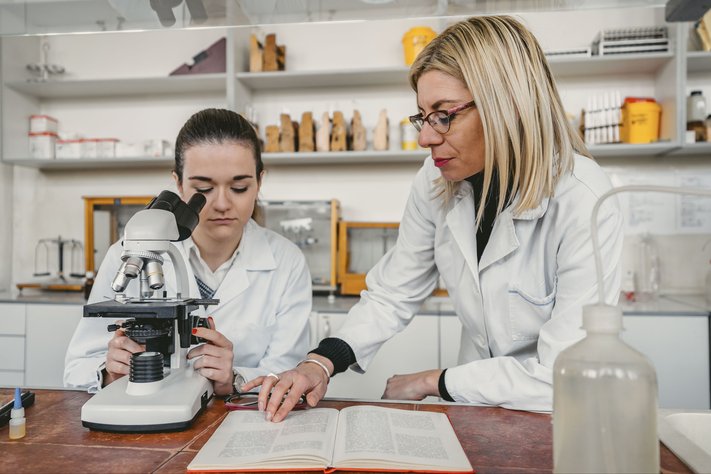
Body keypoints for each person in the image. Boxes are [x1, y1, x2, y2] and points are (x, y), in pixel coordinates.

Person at [242, 15, 623, 421]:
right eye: (423, 117)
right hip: (478, 408)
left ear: (507, 105)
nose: (425, 137)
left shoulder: (583, 198)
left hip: (561, 415)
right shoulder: (437, 181)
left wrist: (434, 382)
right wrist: (319, 363)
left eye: (444, 115)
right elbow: (394, 291)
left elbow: (566, 377)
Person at [64, 108, 312, 396]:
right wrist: (108, 371)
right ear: (178, 184)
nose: (221, 203)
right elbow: (76, 369)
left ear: (260, 182)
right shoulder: (130, 251)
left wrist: (232, 379)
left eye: (240, 187)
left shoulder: (286, 261)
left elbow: (289, 375)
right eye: (203, 188)